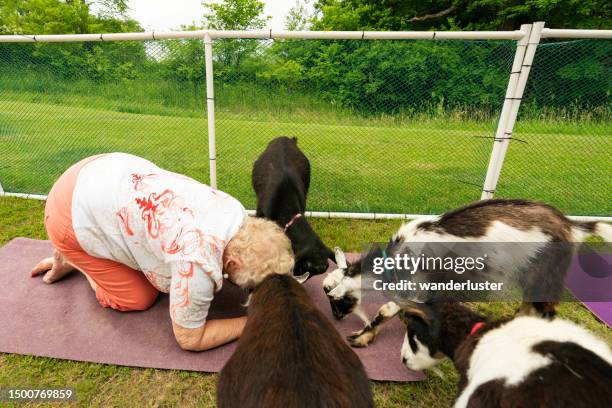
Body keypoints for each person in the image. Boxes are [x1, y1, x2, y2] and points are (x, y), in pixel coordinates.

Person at [31, 153, 294, 351]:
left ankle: (81, 254)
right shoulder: (196, 265)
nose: (249, 288)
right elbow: (190, 338)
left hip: (100, 167)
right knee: (138, 297)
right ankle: (75, 259)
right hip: (67, 212)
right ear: (233, 262)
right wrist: (252, 323)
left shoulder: (234, 210)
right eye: (251, 284)